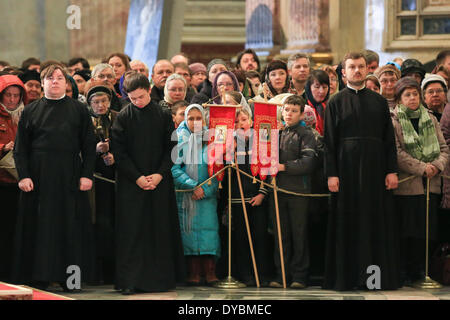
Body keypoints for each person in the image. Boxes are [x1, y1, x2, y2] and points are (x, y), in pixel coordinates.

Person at [12, 64, 96, 291]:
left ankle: (71, 279)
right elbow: (20, 149)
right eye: (51, 78)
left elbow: (89, 147)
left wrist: (86, 175)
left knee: (70, 226)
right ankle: (39, 277)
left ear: (66, 83)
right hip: (38, 176)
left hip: (69, 175)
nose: (56, 81)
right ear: (42, 83)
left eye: (60, 78)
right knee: (40, 227)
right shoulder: (30, 111)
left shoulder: (78, 110)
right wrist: (24, 176)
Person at [323, 52, 401, 291]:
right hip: (344, 171)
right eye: (352, 67)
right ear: (343, 72)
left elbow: (389, 140)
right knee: (346, 222)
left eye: (360, 67)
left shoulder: (378, 101)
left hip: (376, 171)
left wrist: (391, 171)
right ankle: (346, 279)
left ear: (367, 69)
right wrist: (331, 173)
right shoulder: (335, 102)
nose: (357, 71)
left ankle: (373, 280)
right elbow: (329, 142)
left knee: (374, 223)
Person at [111, 72, 185, 294]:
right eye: (133, 98)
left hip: (159, 182)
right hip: (131, 184)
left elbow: (172, 149)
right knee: (132, 233)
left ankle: (160, 280)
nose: (137, 102)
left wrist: (160, 174)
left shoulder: (163, 115)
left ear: (150, 91)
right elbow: (119, 153)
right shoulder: (123, 117)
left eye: (141, 97)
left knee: (158, 229)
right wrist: (138, 177)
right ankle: (130, 281)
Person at [391, 77, 449, 285]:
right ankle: (408, 272)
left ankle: (423, 271)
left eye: (415, 94)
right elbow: (397, 153)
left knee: (428, 231)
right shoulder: (394, 120)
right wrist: (422, 167)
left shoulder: (430, 118)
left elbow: (443, 149)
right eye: (407, 95)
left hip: (431, 183)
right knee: (409, 231)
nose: (413, 98)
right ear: (399, 100)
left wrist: (437, 166)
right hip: (408, 185)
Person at [268, 94, 318, 289]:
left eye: (294, 111)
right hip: (277, 190)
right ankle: (281, 275)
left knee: (299, 234)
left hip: (299, 192)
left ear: (301, 113)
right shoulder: (277, 133)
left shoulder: (306, 134)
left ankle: (299, 276)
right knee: (280, 235)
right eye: (286, 110)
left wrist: (282, 167)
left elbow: (308, 163)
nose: (289, 114)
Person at [221, 106, 271, 286]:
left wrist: (262, 193)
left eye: (243, 120)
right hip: (237, 198)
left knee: (260, 237)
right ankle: (246, 275)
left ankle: (262, 274)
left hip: (257, 197)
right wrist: (228, 154)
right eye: (235, 122)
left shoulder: (261, 141)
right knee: (242, 238)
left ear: (250, 120)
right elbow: (223, 174)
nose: (240, 124)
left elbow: (268, 170)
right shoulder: (229, 145)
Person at [171, 104, 220, 286]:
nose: (194, 122)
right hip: (186, 196)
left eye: (198, 118)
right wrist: (192, 186)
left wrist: (205, 189)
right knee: (188, 233)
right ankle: (193, 272)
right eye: (190, 118)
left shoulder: (213, 139)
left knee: (209, 233)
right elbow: (174, 169)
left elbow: (218, 170)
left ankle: (210, 272)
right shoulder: (178, 139)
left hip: (207, 197)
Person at [86, 84, 118, 285]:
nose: (100, 105)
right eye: (96, 102)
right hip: (95, 180)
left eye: (104, 101)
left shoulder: (118, 118)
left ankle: (113, 272)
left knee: (114, 224)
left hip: (115, 178)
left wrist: (114, 154)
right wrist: (95, 149)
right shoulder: (86, 121)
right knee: (99, 223)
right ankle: (96, 272)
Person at [0, 75, 26, 282]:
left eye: (16, 95)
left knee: (16, 232)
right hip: (1, 180)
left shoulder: (25, 115)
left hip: (19, 183)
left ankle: (14, 274)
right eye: (8, 95)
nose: (11, 100)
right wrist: (3, 148)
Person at [305, 70, 330, 136]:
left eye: (325, 87)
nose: (321, 91)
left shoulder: (332, 107)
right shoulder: (301, 106)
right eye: (317, 87)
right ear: (309, 87)